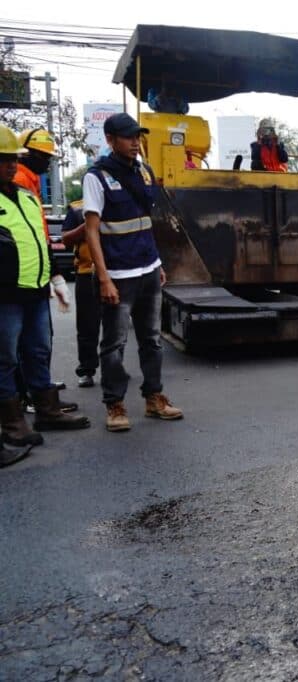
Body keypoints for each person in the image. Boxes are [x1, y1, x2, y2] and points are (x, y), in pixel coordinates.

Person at [83, 112, 183, 432]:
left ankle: (154, 398)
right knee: (114, 344)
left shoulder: (145, 172)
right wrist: (103, 278)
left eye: (137, 136)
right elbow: (92, 232)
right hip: (118, 274)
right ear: (110, 140)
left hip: (149, 269)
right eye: (128, 137)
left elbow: (145, 224)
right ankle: (114, 404)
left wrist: (158, 263)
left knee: (151, 340)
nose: (135, 142)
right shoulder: (96, 178)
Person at [0, 124, 88, 457]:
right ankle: (12, 423)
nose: (11, 165)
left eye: (13, 159)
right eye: (4, 159)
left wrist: (55, 279)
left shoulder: (25, 195)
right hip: (6, 296)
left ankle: (46, 411)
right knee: (5, 359)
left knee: (37, 351)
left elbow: (39, 240)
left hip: (35, 292)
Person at [60, 201, 101, 387]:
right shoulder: (76, 209)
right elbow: (66, 239)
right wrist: (85, 227)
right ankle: (87, 369)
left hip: (117, 272)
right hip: (86, 274)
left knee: (117, 325)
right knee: (87, 326)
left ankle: (114, 367)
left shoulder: (117, 202)